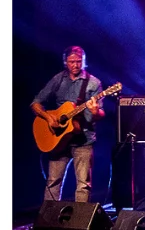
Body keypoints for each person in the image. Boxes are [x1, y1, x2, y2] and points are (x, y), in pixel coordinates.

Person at [31, 46, 104, 202]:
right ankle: (49, 215)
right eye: (72, 62)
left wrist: (95, 111)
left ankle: (79, 217)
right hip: (58, 140)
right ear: (65, 62)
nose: (75, 65)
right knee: (53, 182)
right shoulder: (58, 79)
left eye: (79, 62)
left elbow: (101, 114)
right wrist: (49, 118)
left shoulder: (93, 83)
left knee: (83, 185)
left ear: (84, 62)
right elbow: (36, 103)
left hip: (83, 140)